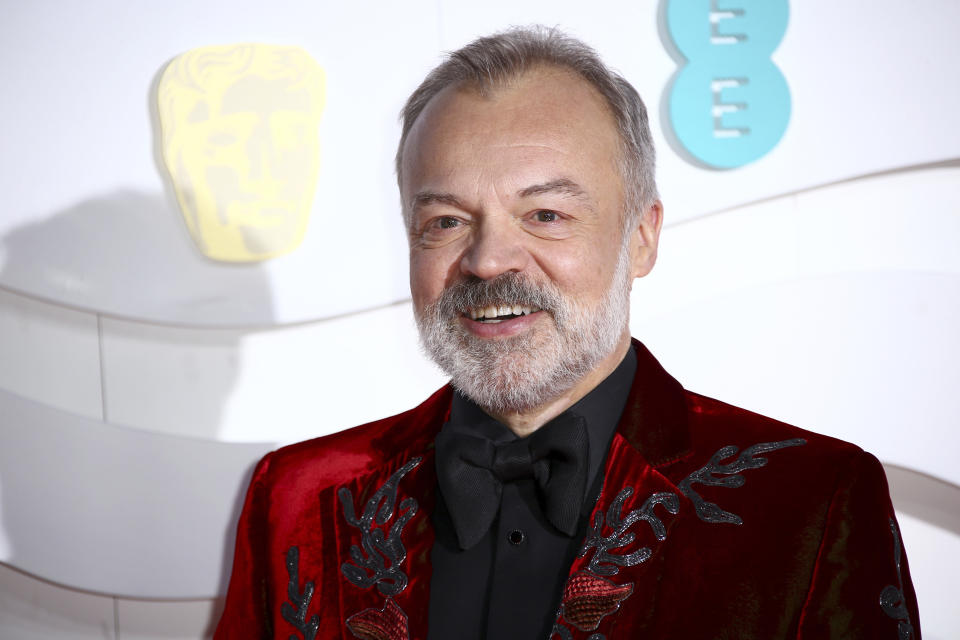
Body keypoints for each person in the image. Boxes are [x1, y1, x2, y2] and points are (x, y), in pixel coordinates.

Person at [214, 26, 920, 640]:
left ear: (641, 239)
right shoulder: (296, 498)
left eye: (546, 214)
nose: (488, 260)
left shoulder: (811, 500)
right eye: (446, 222)